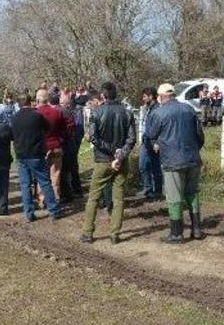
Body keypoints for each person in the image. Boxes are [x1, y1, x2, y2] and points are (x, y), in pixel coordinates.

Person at [145, 83, 206, 244]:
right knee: (192, 193)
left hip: (172, 160)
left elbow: (150, 134)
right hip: (193, 159)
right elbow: (200, 135)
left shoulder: (159, 113)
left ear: (161, 96)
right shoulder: (189, 109)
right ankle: (197, 229)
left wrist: (156, 144)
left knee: (174, 196)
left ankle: (177, 233)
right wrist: (194, 150)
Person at [80, 82, 135, 245]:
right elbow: (132, 139)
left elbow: (93, 138)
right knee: (118, 199)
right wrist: (119, 154)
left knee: (93, 198)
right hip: (121, 160)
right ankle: (114, 234)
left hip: (102, 160)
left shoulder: (96, 113)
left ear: (103, 96)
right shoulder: (127, 112)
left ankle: (88, 232)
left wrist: (111, 152)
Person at [11, 93, 61, 222]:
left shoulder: (14, 118)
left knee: (25, 184)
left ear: (19, 104)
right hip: (36, 153)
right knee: (44, 182)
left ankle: (29, 213)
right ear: (30, 102)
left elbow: (12, 135)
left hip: (21, 154)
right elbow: (47, 128)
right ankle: (53, 210)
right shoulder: (37, 116)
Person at [36, 89, 71, 204]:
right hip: (56, 145)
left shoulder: (36, 113)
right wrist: (60, 140)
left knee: (42, 176)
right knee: (55, 175)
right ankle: (55, 199)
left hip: (42, 148)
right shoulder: (57, 112)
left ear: (38, 100)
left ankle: (42, 199)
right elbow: (65, 129)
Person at [138, 86, 162, 200]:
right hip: (146, 141)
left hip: (153, 142)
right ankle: (147, 189)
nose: (143, 99)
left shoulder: (157, 109)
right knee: (143, 165)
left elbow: (157, 128)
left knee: (155, 167)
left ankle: (157, 191)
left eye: (144, 96)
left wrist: (156, 142)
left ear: (151, 96)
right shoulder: (149, 108)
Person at [60, 93, 85, 199]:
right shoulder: (69, 113)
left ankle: (73, 192)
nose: (59, 104)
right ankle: (73, 190)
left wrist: (75, 142)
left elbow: (77, 130)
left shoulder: (71, 113)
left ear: (67, 104)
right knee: (70, 169)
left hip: (69, 144)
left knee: (69, 169)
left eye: (61, 103)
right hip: (69, 143)